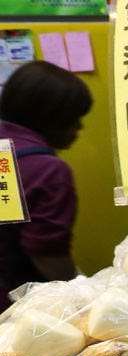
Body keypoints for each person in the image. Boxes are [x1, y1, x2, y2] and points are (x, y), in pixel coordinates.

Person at [0, 61, 92, 309]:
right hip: (14, 307)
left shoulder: (5, 150)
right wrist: (83, 300)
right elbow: (46, 253)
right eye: (74, 119)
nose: (80, 128)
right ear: (51, 117)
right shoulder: (46, 171)